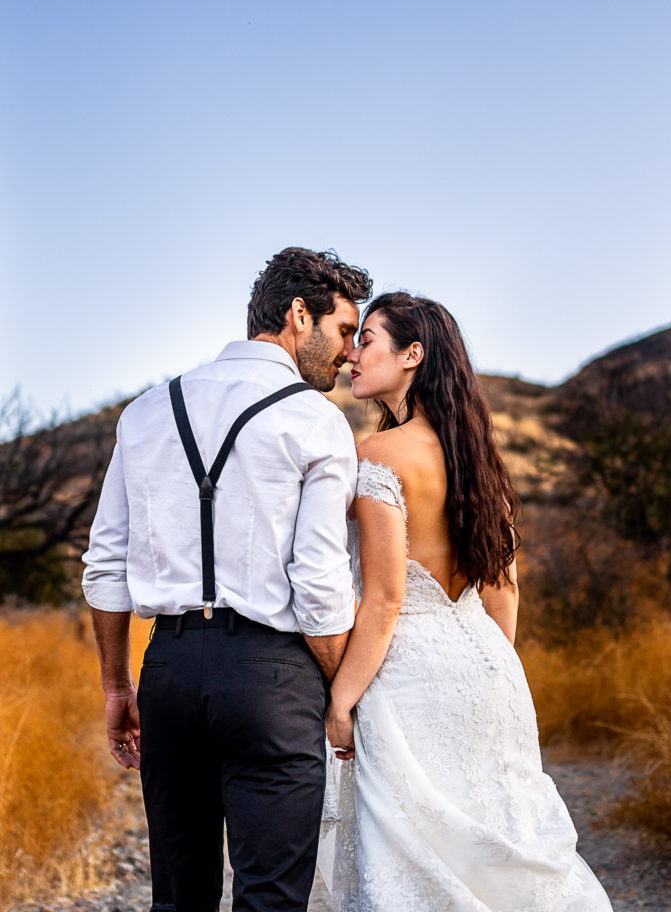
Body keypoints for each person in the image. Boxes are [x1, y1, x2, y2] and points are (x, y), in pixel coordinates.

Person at [82, 246, 373, 912]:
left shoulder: (146, 411)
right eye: (343, 330)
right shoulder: (316, 421)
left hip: (170, 673)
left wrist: (117, 684)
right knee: (270, 896)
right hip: (273, 677)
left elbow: (105, 563)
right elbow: (319, 582)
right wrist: (342, 693)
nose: (348, 351)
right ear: (299, 314)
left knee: (178, 898)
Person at [320, 292, 613, 912]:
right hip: (489, 665)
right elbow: (504, 590)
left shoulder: (376, 457)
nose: (351, 355)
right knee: (498, 838)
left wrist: (340, 702)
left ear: (411, 355)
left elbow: (383, 602)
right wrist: (485, 671)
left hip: (410, 678)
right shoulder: (480, 458)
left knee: (417, 855)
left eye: (367, 339)